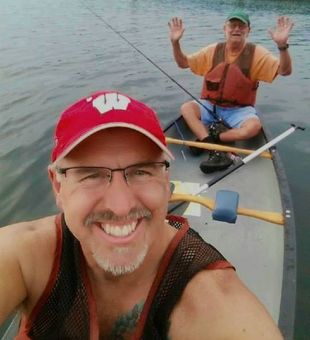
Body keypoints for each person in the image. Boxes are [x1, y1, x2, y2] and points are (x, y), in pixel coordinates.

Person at [0, 90, 283, 339]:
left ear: (165, 182)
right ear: (58, 186)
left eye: (141, 171)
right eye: (91, 175)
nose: (121, 206)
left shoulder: (212, 302)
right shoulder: (23, 257)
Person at [168, 11, 294, 173]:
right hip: (211, 106)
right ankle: (213, 146)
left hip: (238, 110)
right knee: (187, 108)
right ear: (224, 29)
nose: (236, 29)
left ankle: (213, 138)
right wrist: (175, 43)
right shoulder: (213, 50)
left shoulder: (257, 53)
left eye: (241, 26)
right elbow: (183, 63)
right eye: (232, 25)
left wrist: (282, 47)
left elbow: (285, 71)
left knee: (254, 127)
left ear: (248, 30)